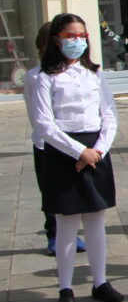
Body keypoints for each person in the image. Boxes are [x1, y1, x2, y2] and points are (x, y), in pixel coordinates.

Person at [31, 13, 122, 302]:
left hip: (96, 151)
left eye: (82, 36)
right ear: (57, 39)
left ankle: (100, 282)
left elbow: (109, 116)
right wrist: (78, 152)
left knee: (96, 220)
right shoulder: (45, 78)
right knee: (66, 224)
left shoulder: (94, 75)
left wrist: (98, 150)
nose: (77, 41)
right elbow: (45, 124)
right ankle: (65, 287)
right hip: (63, 152)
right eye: (71, 36)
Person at [23, 22, 86, 256]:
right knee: (52, 193)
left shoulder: (76, 73)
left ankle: (72, 233)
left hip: (74, 144)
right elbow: (36, 114)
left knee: (73, 191)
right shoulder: (35, 76)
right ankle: (54, 235)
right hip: (47, 143)